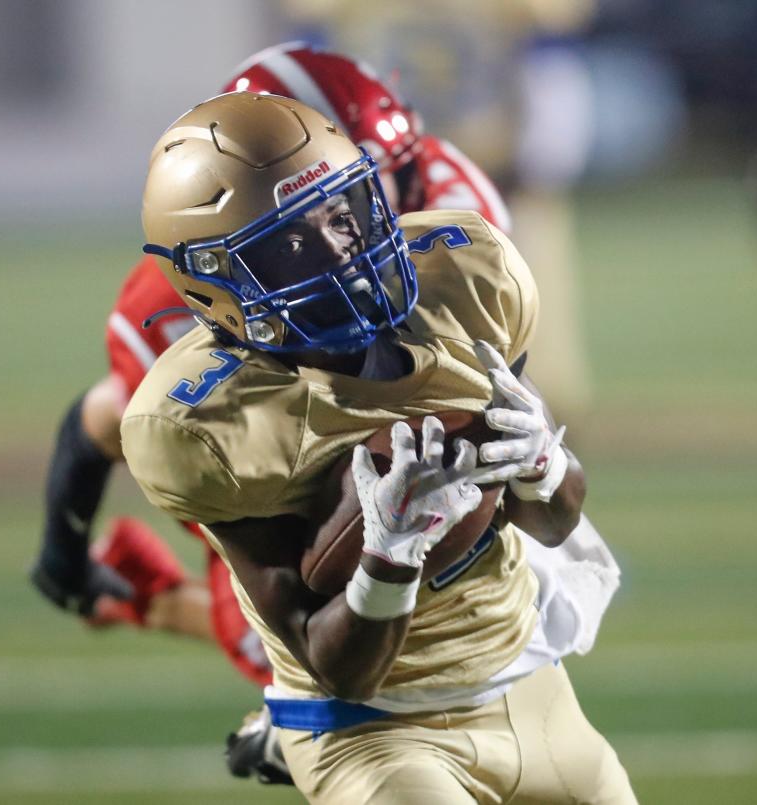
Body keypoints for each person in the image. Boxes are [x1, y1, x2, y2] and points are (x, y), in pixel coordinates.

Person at [122, 91, 635, 803]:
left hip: (531, 685)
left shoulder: (464, 282)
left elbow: (552, 522)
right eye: (292, 242)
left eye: (342, 214)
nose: (340, 251)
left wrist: (544, 463)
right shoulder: (212, 424)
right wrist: (388, 557)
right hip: (369, 727)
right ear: (212, 277)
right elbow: (339, 668)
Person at [29, 43, 512, 689]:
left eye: (370, 186)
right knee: (286, 626)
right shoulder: (171, 309)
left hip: (403, 410)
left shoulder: (453, 209)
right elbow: (107, 415)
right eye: (297, 226)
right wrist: (64, 548)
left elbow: (496, 386)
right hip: (293, 461)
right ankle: (161, 606)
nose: (359, 234)